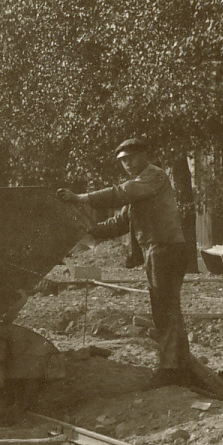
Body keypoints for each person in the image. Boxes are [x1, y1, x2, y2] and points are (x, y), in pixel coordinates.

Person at [79, 134, 194, 384]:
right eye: (124, 161)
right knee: (165, 309)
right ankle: (180, 367)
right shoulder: (137, 189)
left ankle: (171, 371)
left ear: (144, 156)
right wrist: (88, 231)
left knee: (165, 311)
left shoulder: (154, 176)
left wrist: (83, 198)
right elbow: (120, 223)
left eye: (132, 159)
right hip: (156, 250)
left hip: (166, 249)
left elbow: (122, 192)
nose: (128, 164)